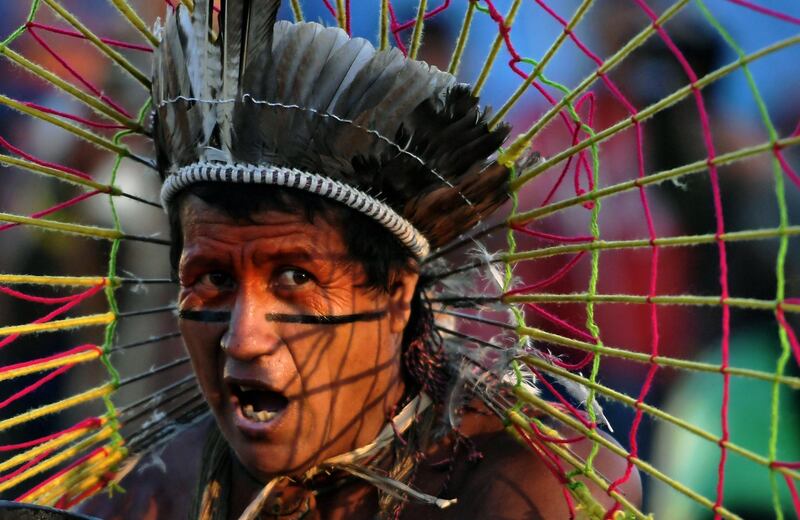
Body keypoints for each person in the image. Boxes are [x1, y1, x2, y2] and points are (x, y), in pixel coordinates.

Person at [81, 1, 640, 517]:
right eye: (214, 279)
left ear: (397, 291)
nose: (243, 337)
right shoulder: (151, 497)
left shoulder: (530, 491)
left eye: (295, 277)